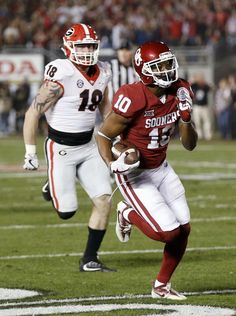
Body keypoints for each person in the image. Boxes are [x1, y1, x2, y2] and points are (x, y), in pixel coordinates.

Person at [96, 41, 198, 299]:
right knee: (167, 232)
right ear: (145, 70)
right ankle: (127, 213)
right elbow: (104, 135)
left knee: (183, 230)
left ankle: (161, 286)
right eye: (160, 66)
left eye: (168, 63)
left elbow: (189, 145)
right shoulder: (133, 96)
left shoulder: (181, 89)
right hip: (134, 172)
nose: (168, 69)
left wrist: (186, 118)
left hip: (161, 167)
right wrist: (112, 164)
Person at [23, 23, 116, 272]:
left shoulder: (104, 70)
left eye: (91, 45)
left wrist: (114, 136)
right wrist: (30, 152)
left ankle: (89, 258)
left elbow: (105, 107)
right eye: (81, 45)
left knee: (104, 200)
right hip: (61, 148)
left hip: (89, 145)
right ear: (68, 47)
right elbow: (33, 113)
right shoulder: (61, 72)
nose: (87, 50)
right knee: (67, 212)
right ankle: (51, 184)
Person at [191, 73, 213, 140]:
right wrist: (194, 79)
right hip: (196, 106)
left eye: (201, 78)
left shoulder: (205, 86)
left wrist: (206, 82)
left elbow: (212, 88)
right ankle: (199, 135)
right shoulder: (194, 85)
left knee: (206, 121)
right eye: (199, 78)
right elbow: (188, 85)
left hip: (204, 106)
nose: (200, 79)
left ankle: (208, 135)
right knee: (197, 122)